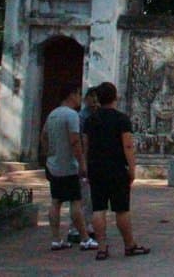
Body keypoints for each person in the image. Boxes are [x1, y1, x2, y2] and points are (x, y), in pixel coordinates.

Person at [83, 81, 150, 260]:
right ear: (115, 97)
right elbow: (127, 145)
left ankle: (102, 247)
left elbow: (86, 146)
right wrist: (132, 168)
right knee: (121, 209)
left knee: (98, 208)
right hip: (116, 168)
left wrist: (87, 166)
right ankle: (129, 245)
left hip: (96, 168)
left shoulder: (91, 119)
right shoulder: (121, 119)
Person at [41, 83, 97, 252]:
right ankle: (84, 238)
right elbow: (75, 141)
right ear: (72, 95)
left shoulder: (53, 114)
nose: (80, 98)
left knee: (56, 201)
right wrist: (82, 163)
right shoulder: (71, 115)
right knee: (76, 202)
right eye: (79, 94)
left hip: (54, 164)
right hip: (68, 165)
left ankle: (56, 239)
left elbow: (43, 136)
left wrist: (49, 155)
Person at [75, 87, 99, 239]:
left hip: (94, 160)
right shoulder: (82, 117)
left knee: (91, 196)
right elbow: (80, 141)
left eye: (97, 99)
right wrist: (82, 161)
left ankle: (89, 225)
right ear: (87, 99)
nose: (95, 102)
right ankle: (78, 228)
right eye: (93, 98)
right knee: (83, 197)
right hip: (84, 159)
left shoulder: (95, 116)